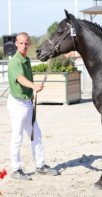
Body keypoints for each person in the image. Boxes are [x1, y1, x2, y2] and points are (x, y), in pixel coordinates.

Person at [7, 32, 60, 180]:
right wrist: (33, 86)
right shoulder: (15, 62)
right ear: (16, 44)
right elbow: (20, 78)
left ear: (29, 45)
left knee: (36, 134)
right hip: (17, 104)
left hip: (27, 103)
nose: (24, 46)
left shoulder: (27, 60)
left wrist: (33, 88)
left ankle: (40, 165)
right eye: (21, 43)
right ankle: (16, 169)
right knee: (17, 137)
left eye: (26, 43)